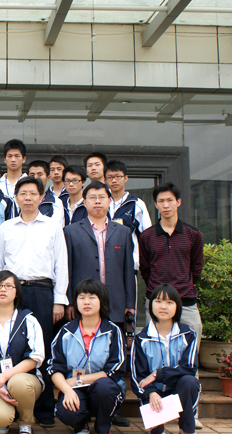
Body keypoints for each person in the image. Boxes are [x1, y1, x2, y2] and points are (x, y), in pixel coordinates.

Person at [0, 176, 68, 428]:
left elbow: (61, 265)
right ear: (15, 197)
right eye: (23, 193)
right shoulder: (6, 228)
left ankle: (44, 408)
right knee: (12, 346)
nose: (27, 198)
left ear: (41, 197)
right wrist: (0, 294)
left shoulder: (52, 226)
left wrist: (59, 300)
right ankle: (13, 405)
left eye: (33, 193)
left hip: (42, 291)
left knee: (41, 348)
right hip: (12, 291)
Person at [48, 279, 125, 434]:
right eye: (81, 297)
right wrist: (67, 390)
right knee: (66, 413)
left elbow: (114, 370)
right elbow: (54, 368)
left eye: (92, 297)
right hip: (74, 388)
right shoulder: (66, 332)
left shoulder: (112, 331)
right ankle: (80, 423)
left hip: (102, 388)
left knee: (105, 387)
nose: (86, 302)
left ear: (102, 301)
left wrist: (78, 379)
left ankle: (102, 427)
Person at [0, 271, 45, 434]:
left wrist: (5, 376)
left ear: (17, 292)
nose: (3, 289)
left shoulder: (29, 320)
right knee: (0, 420)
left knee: (19, 383)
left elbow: (34, 358)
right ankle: (5, 414)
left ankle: (25, 422)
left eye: (8, 286)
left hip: (24, 380)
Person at [139, 182, 204, 347]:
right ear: (155, 204)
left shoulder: (193, 234)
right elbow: (145, 269)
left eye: (170, 200)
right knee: (155, 349)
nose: (166, 205)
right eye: (161, 201)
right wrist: (156, 289)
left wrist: (187, 284)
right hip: (156, 301)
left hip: (186, 300)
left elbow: (197, 266)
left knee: (191, 349)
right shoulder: (147, 236)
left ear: (178, 202)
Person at [63, 181, 136, 325]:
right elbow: (67, 270)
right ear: (84, 202)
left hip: (116, 303)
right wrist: (70, 302)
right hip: (83, 302)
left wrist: (130, 304)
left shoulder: (123, 232)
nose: (97, 201)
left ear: (109, 201)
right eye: (92, 197)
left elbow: (128, 271)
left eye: (102, 197)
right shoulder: (71, 232)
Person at [131, 284, 200, 434]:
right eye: (158, 301)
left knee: (189, 381)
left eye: (169, 302)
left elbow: (189, 367)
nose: (163, 306)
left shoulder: (187, 334)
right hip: (153, 392)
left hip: (179, 390)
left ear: (177, 306)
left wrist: (158, 374)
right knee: (157, 431)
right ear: (151, 305)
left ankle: (186, 429)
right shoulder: (141, 338)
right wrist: (151, 393)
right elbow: (138, 376)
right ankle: (157, 428)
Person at [105, 160, 152, 270]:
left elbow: (147, 236)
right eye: (110, 177)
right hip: (104, 263)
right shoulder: (101, 203)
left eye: (118, 176)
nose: (114, 180)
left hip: (129, 263)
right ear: (105, 180)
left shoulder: (136, 204)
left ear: (126, 178)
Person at [28, 160, 65, 226]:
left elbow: (56, 226)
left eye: (40, 175)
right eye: (32, 175)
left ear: (48, 178)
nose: (35, 178)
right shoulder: (22, 200)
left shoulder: (55, 202)